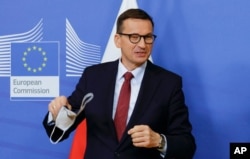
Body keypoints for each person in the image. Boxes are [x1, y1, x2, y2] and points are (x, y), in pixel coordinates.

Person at [43, 8, 196, 159]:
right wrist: (58, 113)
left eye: (148, 37)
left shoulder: (169, 83)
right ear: (117, 40)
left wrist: (159, 140)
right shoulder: (94, 76)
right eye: (134, 37)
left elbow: (186, 145)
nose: (142, 45)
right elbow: (59, 130)